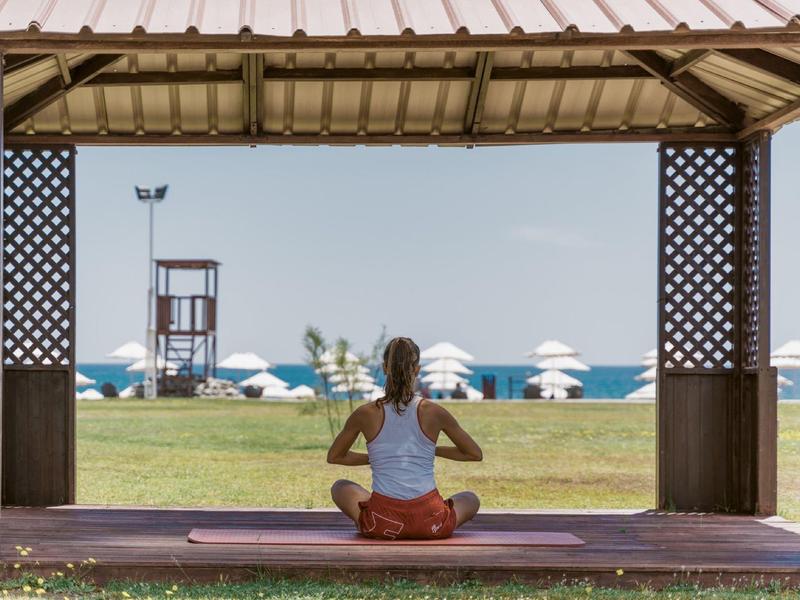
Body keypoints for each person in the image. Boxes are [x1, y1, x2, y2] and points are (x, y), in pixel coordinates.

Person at [327, 336, 482, 540]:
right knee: (470, 499)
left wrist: (378, 456)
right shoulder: (434, 411)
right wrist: (428, 450)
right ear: (417, 369)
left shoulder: (365, 413)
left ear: (384, 368)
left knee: (340, 487)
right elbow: (474, 454)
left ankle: (365, 522)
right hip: (431, 523)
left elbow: (335, 456)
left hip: (382, 521)